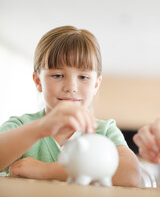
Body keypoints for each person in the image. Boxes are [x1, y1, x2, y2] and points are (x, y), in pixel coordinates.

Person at [0, 26, 140, 186]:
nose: (71, 86)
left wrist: (46, 170)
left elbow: (131, 174)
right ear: (38, 81)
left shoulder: (104, 131)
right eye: (58, 75)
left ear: (96, 85)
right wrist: (40, 128)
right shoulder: (20, 126)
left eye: (83, 77)